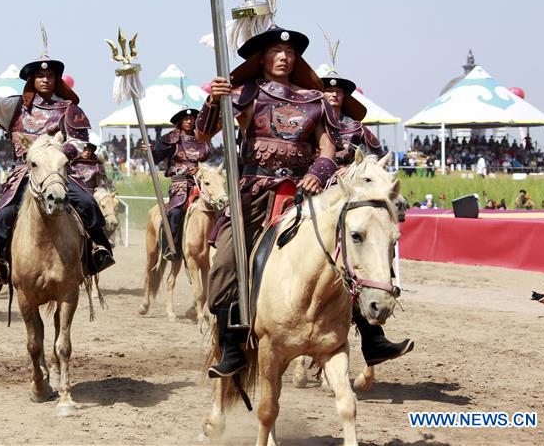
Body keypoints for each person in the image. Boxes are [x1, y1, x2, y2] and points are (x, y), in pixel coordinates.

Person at [197, 27, 343, 378]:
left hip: (299, 194)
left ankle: (367, 333)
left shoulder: (314, 99)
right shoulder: (245, 92)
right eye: (276, 51)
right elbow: (203, 134)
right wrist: (214, 100)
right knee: (226, 263)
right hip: (251, 194)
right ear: (261, 57)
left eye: (290, 52)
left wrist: (319, 173)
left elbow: (329, 148)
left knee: (346, 250)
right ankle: (231, 346)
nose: (284, 57)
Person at [0, 51, 115, 284]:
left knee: (88, 203)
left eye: (50, 75)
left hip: (58, 171)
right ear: (32, 79)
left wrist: (57, 155)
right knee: (3, 215)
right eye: (40, 76)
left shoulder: (68, 108)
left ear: (56, 79)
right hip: (25, 171)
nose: (45, 80)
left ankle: (98, 250)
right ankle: (2, 260)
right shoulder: (15, 106)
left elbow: (78, 141)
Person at [321, 70, 414, 367]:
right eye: (328, 89)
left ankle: (373, 340)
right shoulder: (310, 121)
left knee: (365, 256)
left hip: (357, 199)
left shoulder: (357, 129)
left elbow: (379, 157)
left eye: (339, 91)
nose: (334, 94)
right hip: (320, 194)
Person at [150, 107, 212, 261]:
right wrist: (149, 151)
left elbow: (204, 158)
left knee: (217, 208)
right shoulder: (172, 139)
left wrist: (198, 170)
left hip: (199, 183)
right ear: (180, 121)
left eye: (191, 119)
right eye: (185, 119)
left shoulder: (201, 139)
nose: (189, 121)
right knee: (175, 213)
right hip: (180, 185)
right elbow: (156, 157)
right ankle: (170, 247)